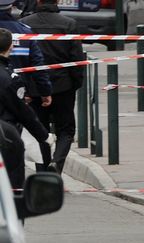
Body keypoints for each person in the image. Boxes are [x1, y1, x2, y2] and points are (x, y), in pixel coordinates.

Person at [20, 0, 85, 174]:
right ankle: (57, 163)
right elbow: (77, 59)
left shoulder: (25, 24)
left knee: (39, 130)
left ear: (38, 2)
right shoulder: (68, 24)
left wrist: (24, 86)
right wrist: (76, 83)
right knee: (66, 130)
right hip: (63, 85)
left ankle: (42, 171)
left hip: (34, 87)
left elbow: (22, 56)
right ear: (56, 2)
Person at [0, 28, 53, 190]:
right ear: (10, 47)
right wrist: (44, 136)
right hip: (6, 136)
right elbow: (22, 111)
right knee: (13, 186)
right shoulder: (8, 78)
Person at [0, 0, 52, 109]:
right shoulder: (24, 32)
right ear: (11, 8)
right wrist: (45, 91)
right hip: (16, 93)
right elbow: (37, 65)